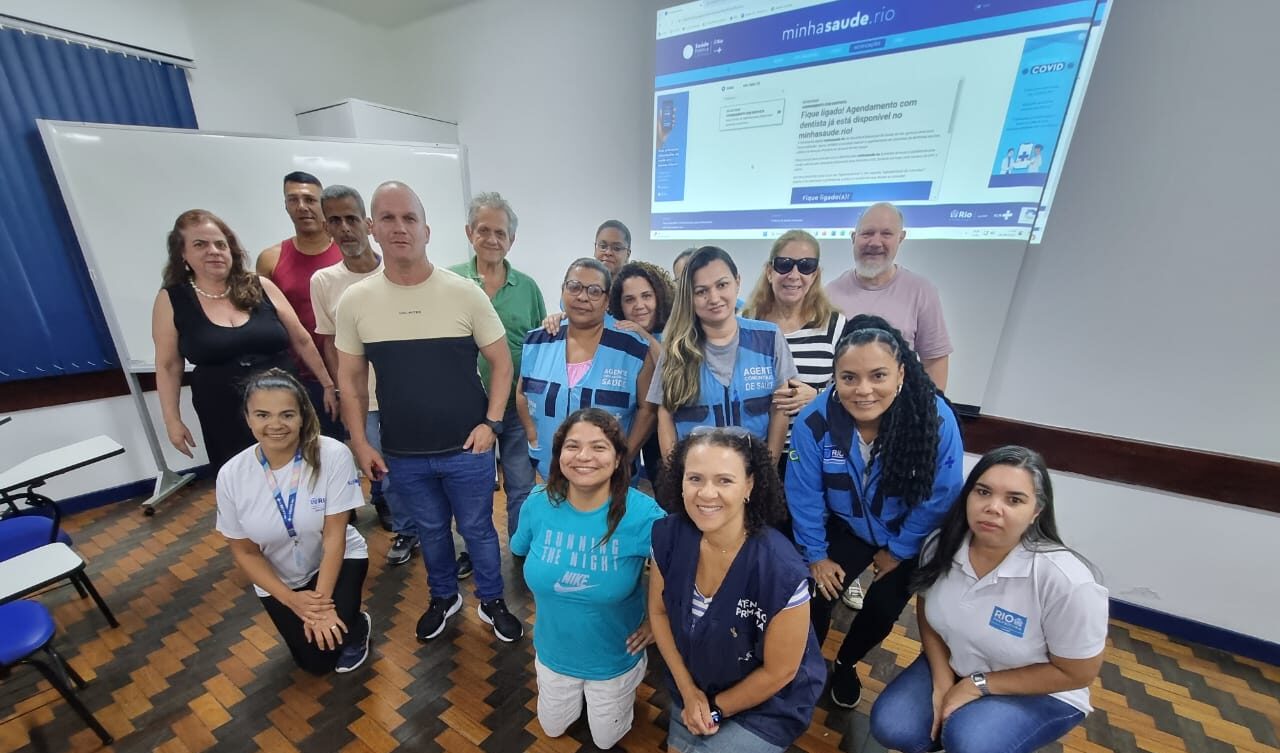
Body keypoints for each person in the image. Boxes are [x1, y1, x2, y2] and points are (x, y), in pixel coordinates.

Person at [334, 181, 523, 644]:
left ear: (427, 230)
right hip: (403, 449)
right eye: (389, 219)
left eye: (409, 218)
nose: (400, 228)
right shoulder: (356, 302)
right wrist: (360, 442)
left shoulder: (464, 293)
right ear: (373, 228)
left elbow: (502, 363)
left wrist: (492, 423)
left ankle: (492, 598)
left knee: (478, 528)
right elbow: (352, 381)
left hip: (467, 445)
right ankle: (443, 596)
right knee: (432, 531)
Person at [870, 446, 1108, 753]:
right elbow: (927, 609)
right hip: (960, 663)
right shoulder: (941, 544)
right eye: (983, 492)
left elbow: (1078, 673)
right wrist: (943, 680)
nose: (993, 507)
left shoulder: (1066, 580)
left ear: (1037, 511)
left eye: (1014, 499)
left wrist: (977, 685)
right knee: (894, 726)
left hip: (1041, 690)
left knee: (971, 741)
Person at [785, 315, 964, 709]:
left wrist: (898, 550)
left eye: (878, 375)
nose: (863, 390)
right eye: (849, 377)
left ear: (901, 373)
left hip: (910, 531)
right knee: (814, 592)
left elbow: (942, 494)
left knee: (882, 608)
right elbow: (804, 494)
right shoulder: (815, 422)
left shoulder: (933, 420)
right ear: (834, 377)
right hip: (848, 526)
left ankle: (846, 663)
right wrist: (816, 555)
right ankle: (805, 663)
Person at [649, 427, 826, 753]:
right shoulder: (668, 535)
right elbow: (659, 612)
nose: (706, 493)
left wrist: (714, 709)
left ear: (750, 485)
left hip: (767, 703)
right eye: (695, 479)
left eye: (724, 481)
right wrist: (689, 692)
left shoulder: (781, 571)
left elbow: (780, 672)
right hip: (696, 683)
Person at [511, 408, 665, 750]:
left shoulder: (643, 514)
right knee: (552, 729)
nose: (583, 457)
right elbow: (519, 546)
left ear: (618, 457)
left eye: (598, 447)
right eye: (572, 446)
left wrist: (658, 619)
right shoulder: (537, 503)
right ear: (558, 454)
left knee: (606, 740)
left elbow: (679, 569)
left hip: (613, 659)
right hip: (553, 652)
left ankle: (627, 686)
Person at [152, 209, 335, 472]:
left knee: (304, 472)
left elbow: (302, 340)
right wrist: (172, 421)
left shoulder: (261, 286)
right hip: (223, 411)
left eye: (220, 244)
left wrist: (328, 385)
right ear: (183, 254)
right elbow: (168, 366)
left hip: (284, 404)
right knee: (245, 481)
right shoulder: (171, 300)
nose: (213, 251)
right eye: (200, 245)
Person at [214, 369, 370, 675]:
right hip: (280, 578)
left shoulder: (333, 455)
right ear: (248, 418)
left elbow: (334, 537)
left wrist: (320, 606)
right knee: (315, 663)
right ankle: (337, 620)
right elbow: (245, 552)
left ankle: (357, 622)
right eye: (262, 415)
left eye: (287, 414)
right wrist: (292, 601)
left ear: (302, 417)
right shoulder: (231, 475)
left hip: (336, 559)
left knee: (333, 639)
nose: (275, 425)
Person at [310, 185, 413, 549]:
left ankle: (422, 525)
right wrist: (338, 389)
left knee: (413, 466)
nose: (345, 228)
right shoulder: (324, 282)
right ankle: (405, 529)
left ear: (368, 224)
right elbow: (329, 341)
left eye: (351, 219)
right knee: (382, 468)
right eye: (334, 221)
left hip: (406, 394)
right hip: (363, 396)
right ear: (326, 228)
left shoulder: (402, 269)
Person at [448, 192, 545, 541]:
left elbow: (538, 346)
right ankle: (473, 550)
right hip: (467, 411)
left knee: (520, 485)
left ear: (512, 240)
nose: (492, 239)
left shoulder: (528, 287)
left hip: (517, 409)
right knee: (471, 491)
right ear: (469, 232)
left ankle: (519, 546)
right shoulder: (449, 283)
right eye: (484, 230)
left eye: (500, 233)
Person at [646, 246, 798, 463]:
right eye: (701, 291)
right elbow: (665, 416)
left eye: (722, 285)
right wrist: (675, 478)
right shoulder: (675, 348)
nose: (714, 298)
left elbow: (780, 410)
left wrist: (768, 471)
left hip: (753, 473)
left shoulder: (769, 338)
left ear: (737, 281)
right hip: (697, 475)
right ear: (690, 296)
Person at [517, 259, 655, 480]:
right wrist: (533, 438)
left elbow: (648, 410)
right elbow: (522, 394)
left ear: (607, 299)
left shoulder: (633, 348)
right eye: (574, 287)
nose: (582, 297)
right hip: (551, 468)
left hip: (611, 476)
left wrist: (625, 457)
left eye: (594, 291)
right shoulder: (538, 341)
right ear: (563, 290)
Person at [742, 229, 846, 474]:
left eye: (806, 266)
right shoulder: (746, 323)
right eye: (784, 265)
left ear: (816, 274)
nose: (794, 275)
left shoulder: (834, 326)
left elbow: (851, 391)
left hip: (813, 452)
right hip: (755, 451)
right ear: (769, 271)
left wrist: (818, 396)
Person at [825, 202, 953, 391]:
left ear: (901, 238)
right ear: (854, 238)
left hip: (899, 412)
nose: (875, 243)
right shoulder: (829, 293)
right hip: (840, 409)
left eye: (886, 234)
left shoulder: (921, 291)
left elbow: (935, 361)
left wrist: (931, 412)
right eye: (867, 233)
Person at [257, 171, 343, 437]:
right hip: (298, 377)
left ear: (323, 205)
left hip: (348, 371)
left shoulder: (349, 253)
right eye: (293, 200)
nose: (302, 207)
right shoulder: (271, 260)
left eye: (310, 199)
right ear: (285, 206)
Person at [610, 261, 675, 482]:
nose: (639, 306)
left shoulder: (676, 329)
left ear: (659, 296)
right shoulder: (619, 332)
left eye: (646, 296)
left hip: (673, 429)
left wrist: (642, 334)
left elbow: (669, 371)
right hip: (635, 424)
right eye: (630, 299)